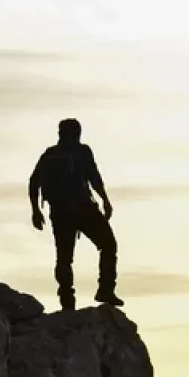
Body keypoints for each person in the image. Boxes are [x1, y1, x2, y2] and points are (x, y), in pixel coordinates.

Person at [28, 118, 123, 312]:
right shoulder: (82, 151)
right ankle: (105, 289)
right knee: (108, 244)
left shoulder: (49, 155)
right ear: (77, 133)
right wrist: (105, 199)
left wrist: (36, 211)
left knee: (64, 257)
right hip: (82, 207)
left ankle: (67, 302)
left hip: (59, 212)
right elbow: (94, 176)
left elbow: (33, 181)